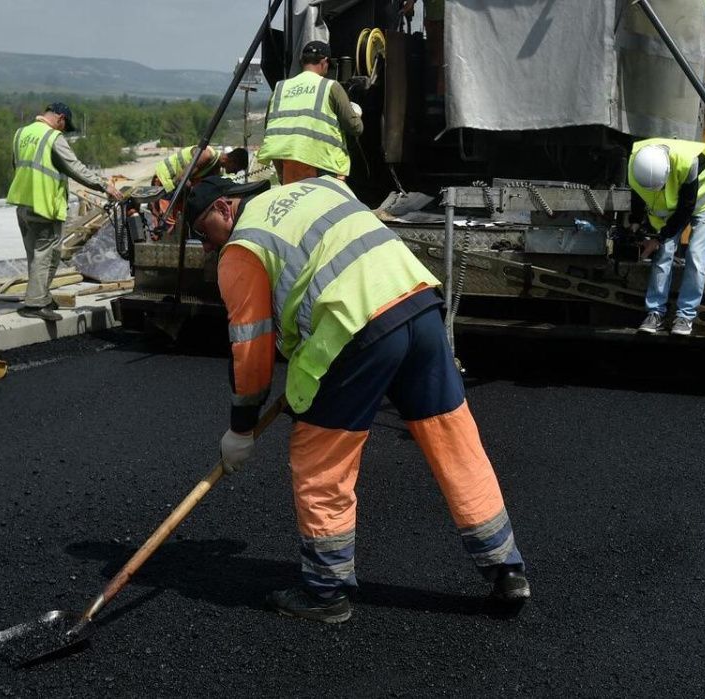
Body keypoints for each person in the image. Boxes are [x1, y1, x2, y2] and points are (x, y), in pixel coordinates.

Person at [185, 175, 529, 623]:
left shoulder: (243, 247)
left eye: (200, 232)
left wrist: (241, 428)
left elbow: (252, 350)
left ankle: (326, 592)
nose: (206, 247)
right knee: (455, 441)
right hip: (418, 305)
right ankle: (506, 569)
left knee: (319, 457)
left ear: (225, 208)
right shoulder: (315, 188)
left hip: (354, 329)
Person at [5, 102, 121, 321]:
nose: (62, 132)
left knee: (35, 256)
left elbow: (16, 165)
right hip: (44, 205)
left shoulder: (21, 133)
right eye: (64, 127)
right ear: (60, 118)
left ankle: (41, 296)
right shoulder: (52, 138)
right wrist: (104, 185)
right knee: (47, 255)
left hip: (23, 203)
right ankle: (35, 304)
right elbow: (75, 168)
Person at [627, 138, 705, 336]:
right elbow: (638, 195)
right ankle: (655, 313)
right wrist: (636, 223)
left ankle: (685, 316)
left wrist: (658, 238)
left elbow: (685, 210)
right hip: (673, 206)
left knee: (696, 257)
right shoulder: (636, 164)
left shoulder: (688, 163)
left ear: (667, 173)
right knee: (662, 255)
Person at [256, 41, 363, 184]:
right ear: (325, 61)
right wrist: (356, 113)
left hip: (287, 165)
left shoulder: (280, 88)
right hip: (323, 165)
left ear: (302, 61)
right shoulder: (331, 86)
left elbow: (270, 129)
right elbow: (355, 127)